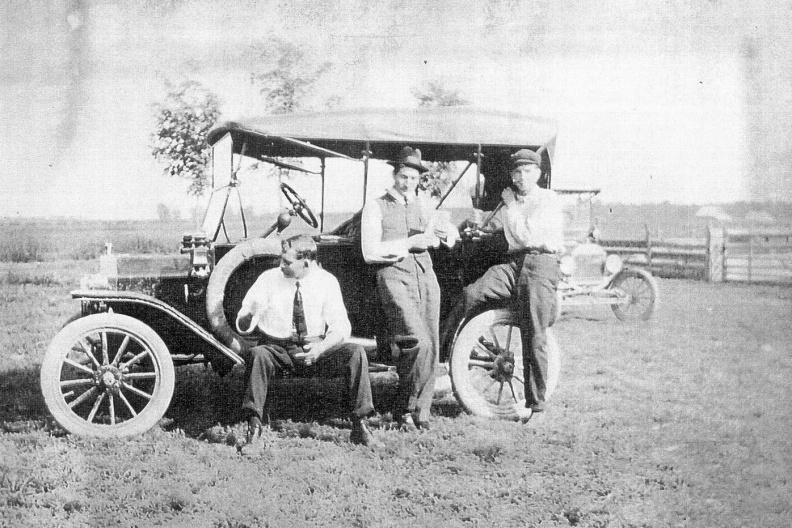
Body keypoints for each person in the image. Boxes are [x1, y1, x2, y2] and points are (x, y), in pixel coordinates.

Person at [236, 234, 374, 453]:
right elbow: (243, 322)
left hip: (316, 347)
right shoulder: (268, 279)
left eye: (287, 262)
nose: (281, 265)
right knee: (258, 355)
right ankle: (254, 430)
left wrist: (320, 348)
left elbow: (341, 326)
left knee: (355, 353)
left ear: (306, 262)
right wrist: (251, 311)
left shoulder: (326, 281)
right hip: (278, 349)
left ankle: (360, 426)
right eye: (281, 259)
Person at [360, 146, 458, 431]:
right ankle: (404, 408)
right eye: (403, 177)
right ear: (394, 175)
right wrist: (407, 244)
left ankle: (420, 412)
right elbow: (370, 252)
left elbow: (448, 236)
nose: (408, 183)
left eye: (413, 179)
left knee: (433, 345)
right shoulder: (375, 206)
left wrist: (445, 233)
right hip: (392, 276)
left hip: (426, 277)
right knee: (418, 342)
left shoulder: (424, 205)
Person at [463, 148, 564, 422]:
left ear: (538, 174)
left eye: (527, 172)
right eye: (516, 172)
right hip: (515, 264)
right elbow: (506, 233)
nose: (520, 177)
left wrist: (509, 206)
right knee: (473, 293)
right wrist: (482, 228)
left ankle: (538, 407)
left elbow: (528, 235)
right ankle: (468, 348)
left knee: (534, 334)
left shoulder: (547, 200)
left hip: (540, 264)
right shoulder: (515, 202)